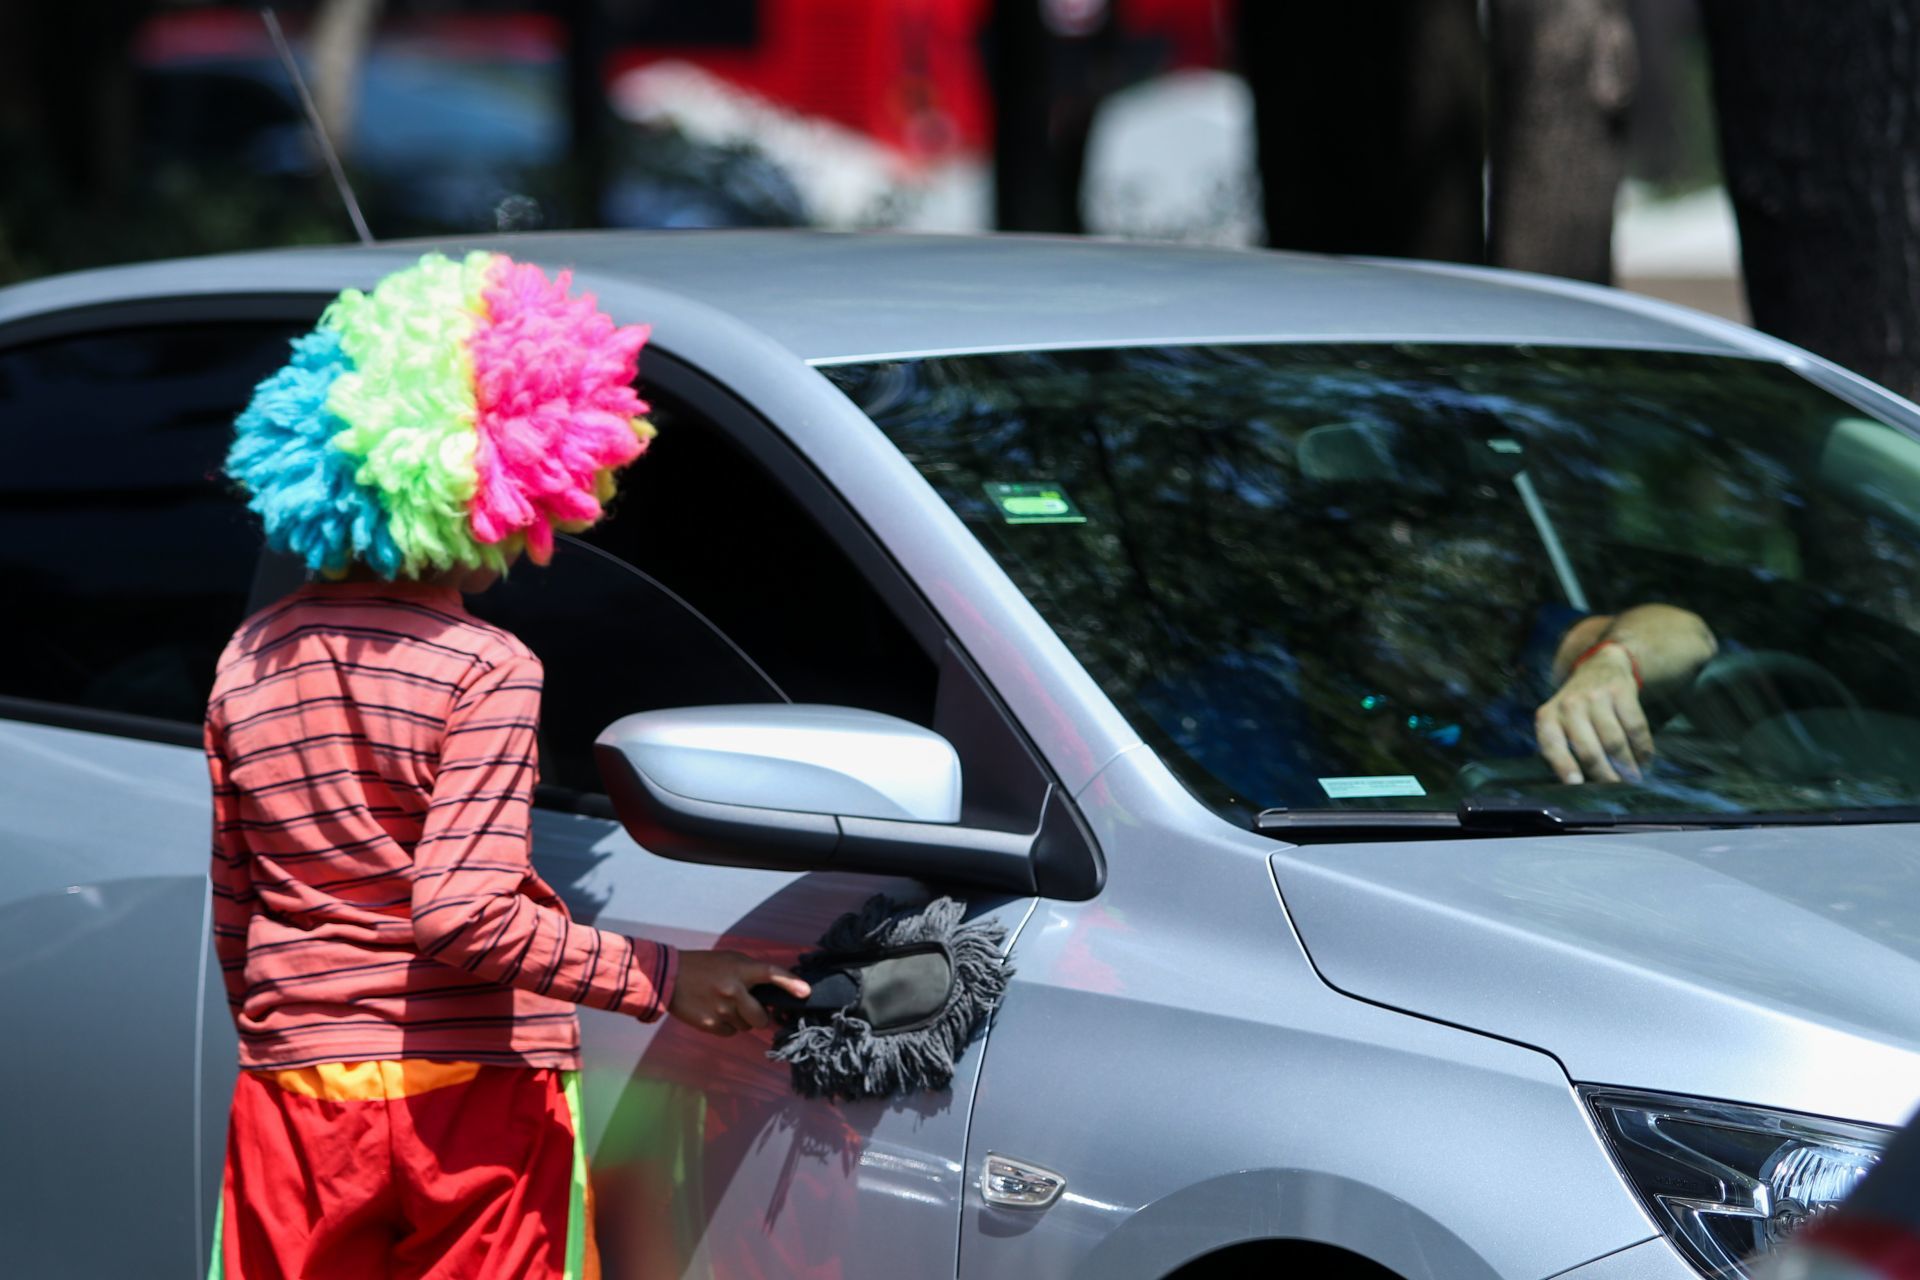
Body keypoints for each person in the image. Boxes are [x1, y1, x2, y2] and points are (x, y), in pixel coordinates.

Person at [206, 251, 808, 1280]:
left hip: (296, 1092)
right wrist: (667, 976)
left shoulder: (248, 654)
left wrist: (298, 1025)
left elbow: (237, 904)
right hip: (467, 1100)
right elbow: (462, 914)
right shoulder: (485, 667)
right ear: (516, 474)